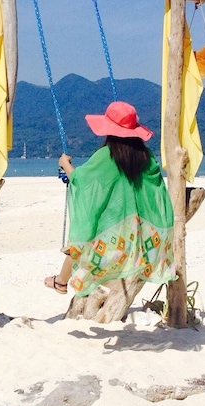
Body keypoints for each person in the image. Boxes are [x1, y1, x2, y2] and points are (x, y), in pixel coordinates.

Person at [43, 101, 175, 296]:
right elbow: (155, 186)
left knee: (84, 237)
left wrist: (64, 164)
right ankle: (63, 281)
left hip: (114, 232)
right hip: (141, 233)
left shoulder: (107, 155)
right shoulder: (145, 156)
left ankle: (61, 282)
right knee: (89, 236)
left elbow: (81, 180)